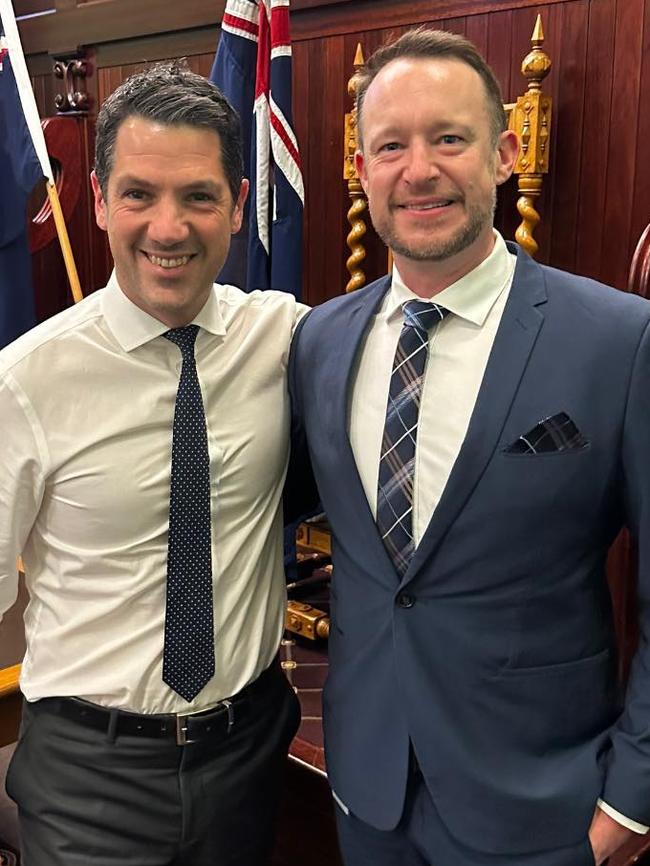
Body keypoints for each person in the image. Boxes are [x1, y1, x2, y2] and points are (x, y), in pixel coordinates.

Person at [289, 28, 650, 866]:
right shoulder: (320, 341)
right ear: (361, 169)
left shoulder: (619, 341)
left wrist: (632, 801)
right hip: (366, 793)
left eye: (449, 138)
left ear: (504, 152)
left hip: (544, 812)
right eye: (390, 146)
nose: (419, 170)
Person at [0, 61, 305, 866]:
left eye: (198, 195)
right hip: (89, 777)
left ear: (239, 205)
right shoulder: (24, 382)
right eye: (139, 193)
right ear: (98, 201)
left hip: (248, 756)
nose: (168, 227)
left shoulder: (288, 339)